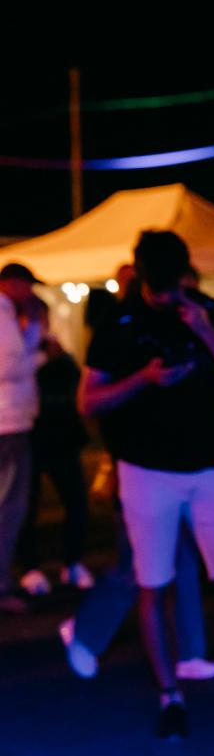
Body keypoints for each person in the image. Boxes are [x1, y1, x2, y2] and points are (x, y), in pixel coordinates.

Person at [80, 230, 214, 737]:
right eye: (156, 285)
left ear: (184, 274)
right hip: (146, 472)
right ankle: (169, 695)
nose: (164, 295)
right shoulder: (119, 323)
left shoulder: (208, 312)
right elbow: (88, 402)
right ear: (141, 274)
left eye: (171, 284)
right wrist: (145, 378)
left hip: (212, 469)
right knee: (153, 583)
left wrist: (206, 332)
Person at [15, 317, 93, 594]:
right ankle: (30, 568)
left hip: (62, 438)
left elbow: (75, 383)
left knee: (76, 501)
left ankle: (72, 562)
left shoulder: (57, 355)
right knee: (26, 504)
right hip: (28, 437)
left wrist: (59, 359)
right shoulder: (15, 355)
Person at [0, 263, 43, 614]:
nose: (30, 293)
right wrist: (42, 355)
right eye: (27, 285)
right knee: (9, 505)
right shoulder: (2, 314)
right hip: (8, 422)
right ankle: (1, 586)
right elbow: (9, 367)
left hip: (11, 420)